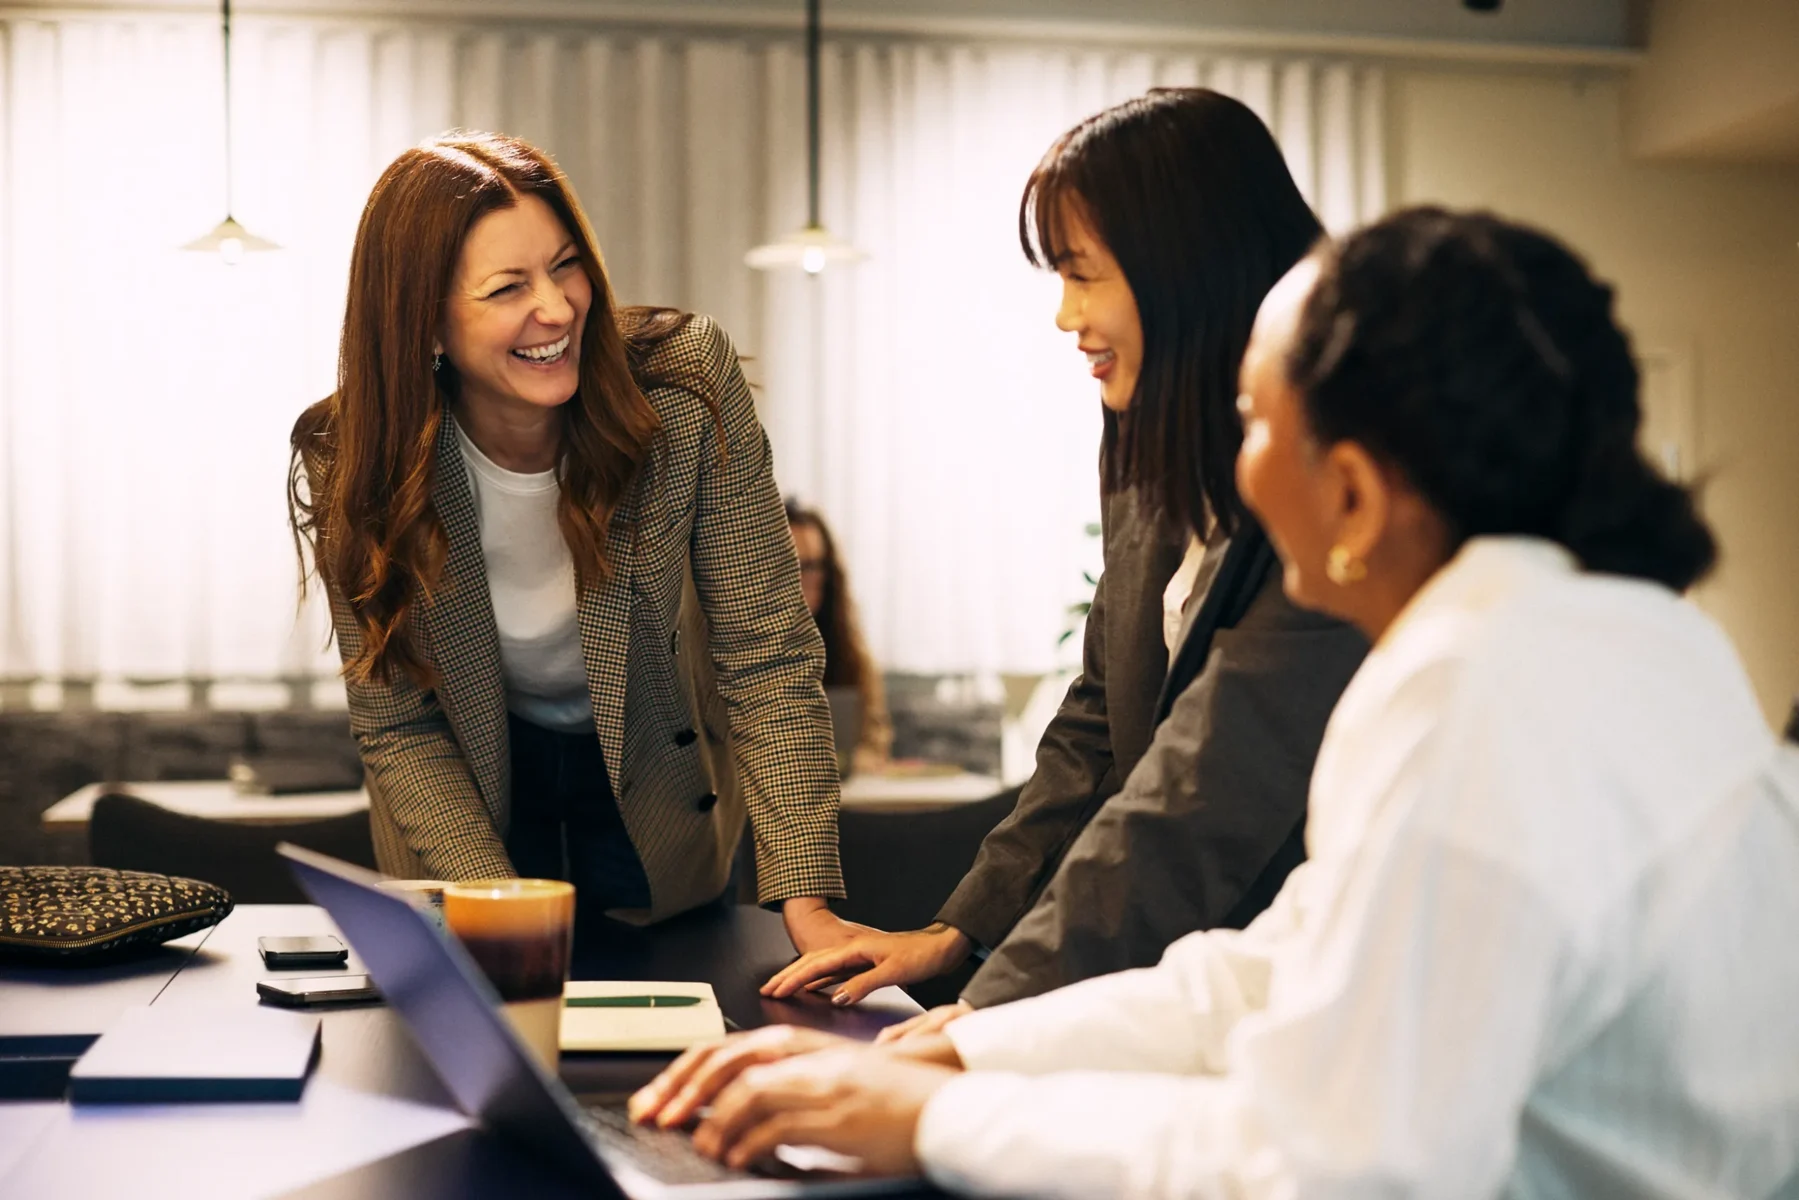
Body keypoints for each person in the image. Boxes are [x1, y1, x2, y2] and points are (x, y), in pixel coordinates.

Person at [629, 207, 1799, 1197]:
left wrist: (925, 1121)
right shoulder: (1618, 638)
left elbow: (1331, 1167)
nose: (1230, 463)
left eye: (1250, 421)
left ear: (1347, 491)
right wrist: (967, 1053)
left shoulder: (1471, 691)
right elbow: (1268, 970)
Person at [763, 88, 1367, 1011]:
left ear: (1184, 271)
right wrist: (957, 932)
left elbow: (1194, 807)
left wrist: (973, 1018)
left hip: (1287, 991)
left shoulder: (1326, 497)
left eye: (1083, 274)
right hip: (1165, 985)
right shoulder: (1145, 439)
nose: (1063, 315)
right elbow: (1096, 722)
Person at [288, 132, 862, 954]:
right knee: (492, 1031)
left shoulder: (682, 388)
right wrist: (496, 904)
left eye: (564, 265)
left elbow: (765, 653)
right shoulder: (352, 453)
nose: (555, 308)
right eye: (506, 288)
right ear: (426, 325)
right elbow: (398, 722)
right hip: (470, 786)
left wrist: (806, 899)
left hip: (654, 772)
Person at [785, 499, 893, 772]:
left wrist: (849, 761)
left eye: (815, 565)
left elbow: (874, 743)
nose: (807, 577)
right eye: (795, 565)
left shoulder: (848, 653)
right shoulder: (738, 650)